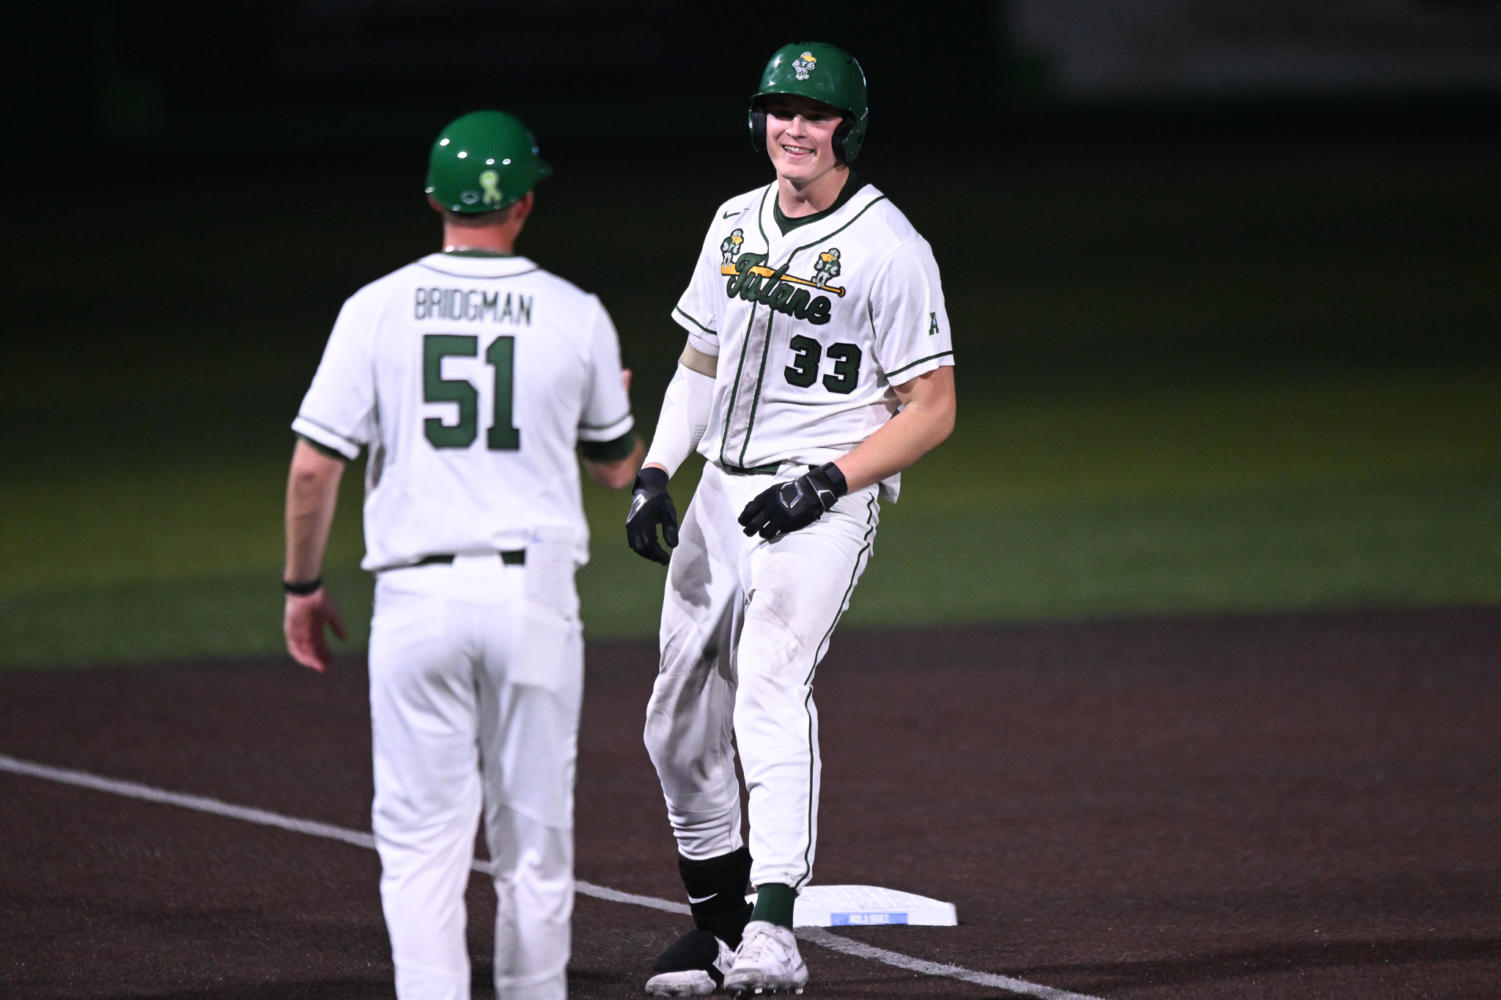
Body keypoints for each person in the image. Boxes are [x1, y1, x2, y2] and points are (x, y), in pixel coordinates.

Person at [282, 109, 643, 1000]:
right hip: (534, 602)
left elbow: (312, 468)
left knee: (419, 845)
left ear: (436, 198)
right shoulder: (575, 314)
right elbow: (616, 472)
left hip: (416, 600)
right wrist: (615, 407)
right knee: (535, 840)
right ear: (523, 203)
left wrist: (302, 583)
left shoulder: (374, 308)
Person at [625, 42, 957, 997]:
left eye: (815, 114)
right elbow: (698, 362)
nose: (795, 129)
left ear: (846, 130)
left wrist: (826, 483)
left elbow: (930, 409)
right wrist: (654, 471)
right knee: (674, 722)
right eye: (781, 109)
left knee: (766, 687)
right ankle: (717, 930)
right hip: (719, 499)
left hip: (818, 505)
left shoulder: (889, 249)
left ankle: (772, 927)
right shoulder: (734, 220)